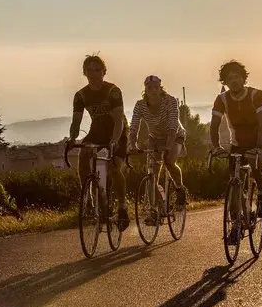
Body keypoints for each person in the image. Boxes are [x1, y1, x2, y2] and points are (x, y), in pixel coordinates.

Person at [68, 53, 130, 231]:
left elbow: (118, 120)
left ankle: (122, 206)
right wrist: (72, 138)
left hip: (117, 131)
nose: (93, 74)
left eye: (97, 70)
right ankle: (89, 199)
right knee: (83, 156)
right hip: (97, 131)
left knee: (115, 167)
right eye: (89, 71)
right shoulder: (80, 96)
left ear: (104, 72)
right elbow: (76, 121)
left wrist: (114, 141)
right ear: (84, 73)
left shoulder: (113, 91)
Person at [209, 60, 262, 223]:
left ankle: (261, 194)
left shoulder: (256, 95)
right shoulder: (222, 99)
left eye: (237, 77)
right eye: (229, 78)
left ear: (243, 78)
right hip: (238, 143)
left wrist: (259, 149)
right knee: (234, 180)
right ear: (225, 82)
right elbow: (214, 126)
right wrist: (216, 147)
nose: (233, 80)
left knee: (255, 163)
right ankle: (236, 223)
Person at [128, 75, 189, 208]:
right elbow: (134, 127)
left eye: (156, 87)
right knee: (151, 173)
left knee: (169, 161)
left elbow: (173, 125)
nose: (153, 90)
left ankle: (180, 189)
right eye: (149, 88)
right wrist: (133, 145)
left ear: (160, 88)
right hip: (155, 138)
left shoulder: (170, 101)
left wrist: (168, 147)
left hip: (175, 136)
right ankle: (156, 209)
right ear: (145, 90)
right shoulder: (140, 105)